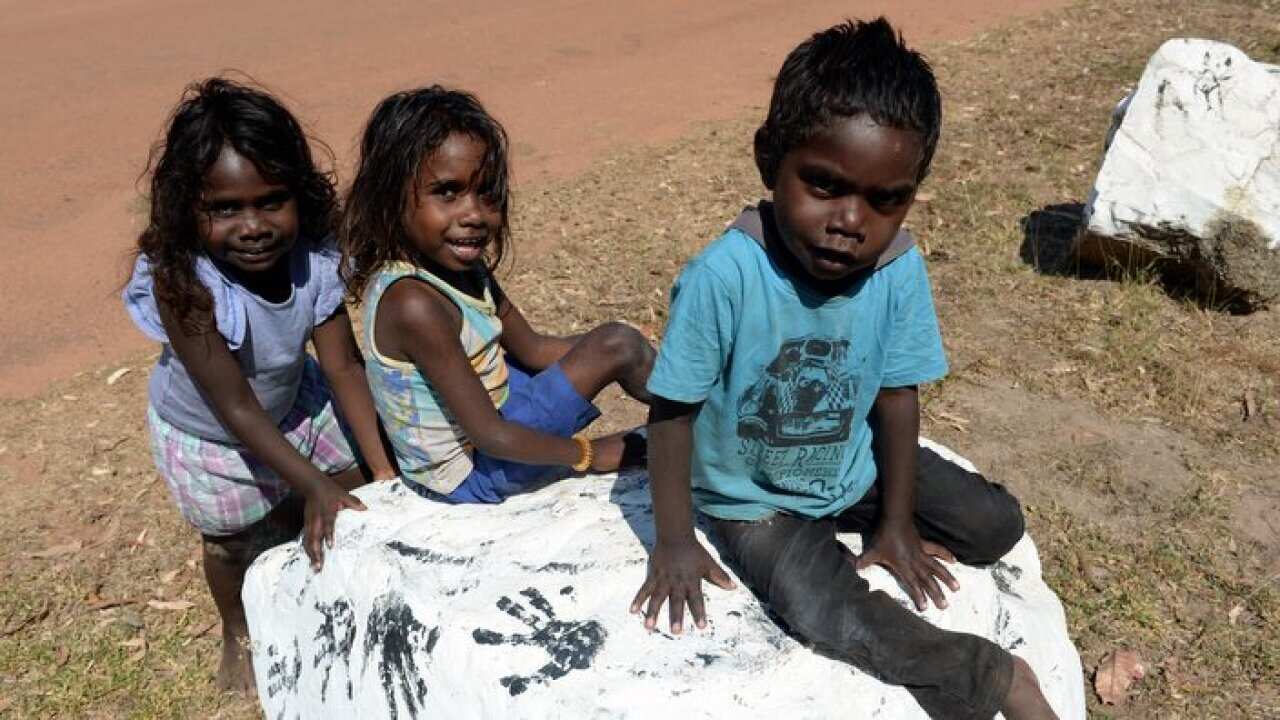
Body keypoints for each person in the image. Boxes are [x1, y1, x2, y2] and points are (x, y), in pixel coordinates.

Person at [628, 19, 1058, 720]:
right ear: (771, 160)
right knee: (822, 608)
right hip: (755, 499)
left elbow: (896, 395)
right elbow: (671, 413)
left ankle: (896, 525)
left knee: (994, 524)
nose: (850, 220)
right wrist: (674, 541)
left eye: (885, 199)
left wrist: (893, 522)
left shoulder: (896, 268)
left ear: (910, 194)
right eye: (825, 185)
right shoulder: (725, 274)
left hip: (853, 471)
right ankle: (993, 677)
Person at [123, 77, 396, 693]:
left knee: (351, 486)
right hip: (213, 434)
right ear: (187, 209)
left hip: (292, 400)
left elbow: (343, 366)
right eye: (225, 208)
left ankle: (317, 579)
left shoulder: (315, 258)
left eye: (272, 201)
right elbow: (236, 408)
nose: (253, 225)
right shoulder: (182, 282)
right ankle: (238, 631)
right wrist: (315, 484)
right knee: (234, 542)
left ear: (301, 195)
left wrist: (380, 470)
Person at [340, 86, 653, 505]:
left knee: (616, 344)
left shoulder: (463, 269)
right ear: (391, 197)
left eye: (486, 193)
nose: (473, 214)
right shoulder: (413, 304)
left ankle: (694, 404)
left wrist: (622, 353)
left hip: (492, 422)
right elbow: (492, 435)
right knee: (617, 343)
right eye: (447, 192)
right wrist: (589, 454)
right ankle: (710, 417)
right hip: (474, 472)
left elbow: (535, 348)